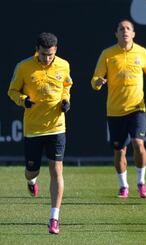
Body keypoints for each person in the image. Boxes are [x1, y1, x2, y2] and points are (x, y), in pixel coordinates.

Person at [91, 20, 146, 199]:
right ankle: (123, 185)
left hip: (137, 108)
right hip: (115, 110)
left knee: (138, 143)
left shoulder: (142, 53)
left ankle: (141, 182)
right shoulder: (108, 54)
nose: (125, 31)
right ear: (116, 34)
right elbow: (95, 79)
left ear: (133, 34)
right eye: (121, 29)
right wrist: (97, 83)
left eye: (128, 29)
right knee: (119, 151)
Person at [8, 32, 72, 234]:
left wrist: (65, 101)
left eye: (51, 54)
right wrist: (24, 100)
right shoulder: (24, 66)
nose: (47, 58)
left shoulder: (63, 65)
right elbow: (12, 91)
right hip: (33, 129)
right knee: (32, 170)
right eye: (44, 54)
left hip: (56, 127)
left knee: (56, 170)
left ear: (56, 51)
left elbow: (66, 86)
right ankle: (31, 180)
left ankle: (54, 218)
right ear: (37, 50)